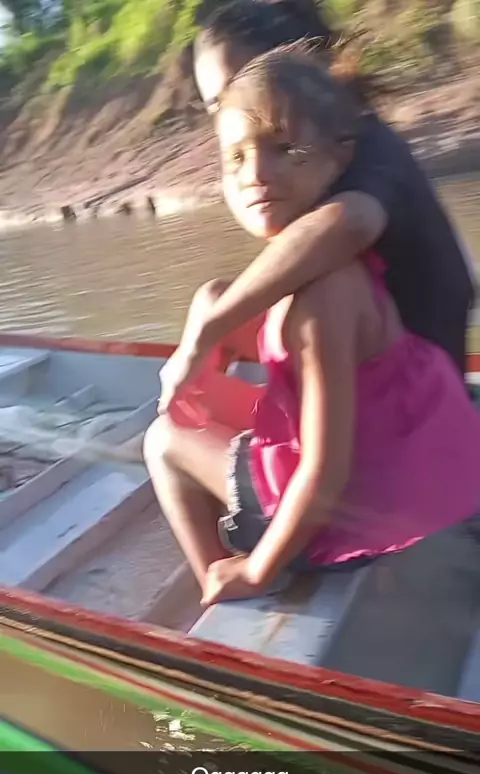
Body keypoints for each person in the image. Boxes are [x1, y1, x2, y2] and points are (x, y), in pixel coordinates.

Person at [144, 46, 480, 608]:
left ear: (337, 158)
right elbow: (232, 307)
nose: (256, 174)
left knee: (163, 440)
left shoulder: (326, 295)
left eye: (284, 149)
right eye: (236, 158)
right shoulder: (321, 266)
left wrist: (258, 570)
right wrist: (206, 334)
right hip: (395, 461)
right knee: (211, 303)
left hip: (361, 513)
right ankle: (247, 504)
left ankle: (224, 581)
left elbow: (325, 473)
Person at [158, 0, 475, 412]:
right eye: (217, 105)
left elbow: (350, 222)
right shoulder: (291, 160)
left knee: (169, 437)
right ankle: (191, 407)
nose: (233, 111)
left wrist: (208, 331)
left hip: (415, 398)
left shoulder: (362, 143)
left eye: (242, 83)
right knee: (212, 298)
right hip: (364, 353)